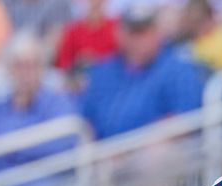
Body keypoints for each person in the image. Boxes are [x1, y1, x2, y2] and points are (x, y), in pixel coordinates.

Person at [80, 3, 204, 139]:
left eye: (146, 31)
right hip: (104, 154)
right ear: (120, 34)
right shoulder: (103, 70)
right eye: (134, 32)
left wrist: (134, 149)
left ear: (157, 32)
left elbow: (184, 119)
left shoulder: (177, 68)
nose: (140, 39)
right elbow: (86, 120)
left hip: (154, 153)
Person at [0, 32, 79, 182]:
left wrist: (5, 145)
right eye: (19, 65)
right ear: (8, 70)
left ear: (42, 69)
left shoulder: (59, 103)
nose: (26, 73)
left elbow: (64, 143)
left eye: (32, 65)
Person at [54, 0, 118, 93]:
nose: (94, 3)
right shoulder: (72, 31)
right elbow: (64, 66)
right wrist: (79, 62)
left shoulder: (116, 28)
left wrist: (98, 61)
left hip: (110, 83)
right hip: (78, 84)